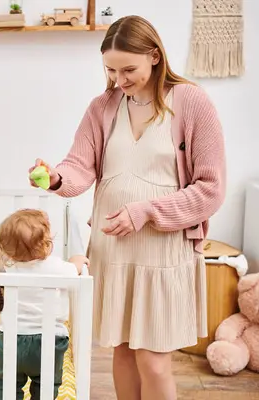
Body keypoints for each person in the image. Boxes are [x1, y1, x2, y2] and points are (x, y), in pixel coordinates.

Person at [29, 15, 226, 400]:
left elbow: (211, 189)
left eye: (129, 69)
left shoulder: (192, 102)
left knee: (153, 360)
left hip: (162, 250)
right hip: (112, 247)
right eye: (111, 70)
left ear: (155, 56)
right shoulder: (103, 106)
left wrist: (146, 211)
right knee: (121, 350)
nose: (120, 79)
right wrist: (55, 178)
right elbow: (79, 166)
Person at [0, 208, 90, 400]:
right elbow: (75, 270)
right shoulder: (56, 267)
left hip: (11, 340)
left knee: (5, 384)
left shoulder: (8, 268)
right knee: (46, 384)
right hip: (49, 340)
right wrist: (78, 260)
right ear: (46, 244)